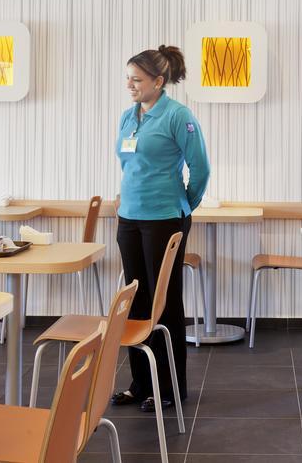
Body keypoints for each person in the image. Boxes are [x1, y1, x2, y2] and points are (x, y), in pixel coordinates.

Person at [111, 45, 210, 412]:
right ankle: (141, 383)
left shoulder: (178, 116)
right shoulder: (128, 116)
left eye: (137, 80)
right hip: (130, 220)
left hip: (165, 220)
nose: (130, 85)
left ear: (159, 81)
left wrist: (183, 206)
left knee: (163, 304)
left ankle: (170, 388)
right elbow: (129, 166)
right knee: (136, 302)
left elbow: (201, 169)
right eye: (128, 78)